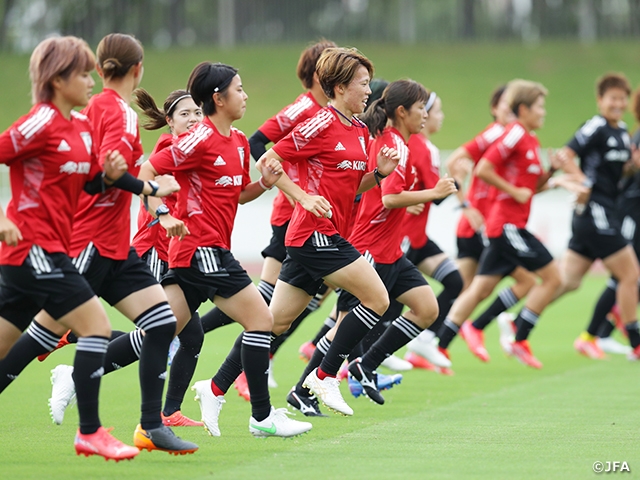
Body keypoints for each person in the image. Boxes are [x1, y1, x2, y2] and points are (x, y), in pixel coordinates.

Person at [16, 33, 197, 454]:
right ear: (138, 70)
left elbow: (100, 173)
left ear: (100, 69)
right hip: (93, 243)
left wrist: (150, 199)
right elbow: (108, 174)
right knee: (40, 335)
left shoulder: (99, 108)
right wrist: (153, 189)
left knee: (161, 321)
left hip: (117, 247)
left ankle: (151, 425)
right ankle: (90, 413)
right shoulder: (116, 111)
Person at [139, 61, 313, 438]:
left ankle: (80, 375)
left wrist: (264, 184)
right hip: (203, 251)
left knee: (160, 331)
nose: (245, 95)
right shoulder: (198, 139)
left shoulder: (236, 141)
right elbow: (146, 174)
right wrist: (164, 214)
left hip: (199, 253)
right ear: (218, 98)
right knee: (261, 320)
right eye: (238, 88)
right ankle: (262, 417)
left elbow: (235, 196)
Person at [0, 35, 139, 461]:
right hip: (32, 249)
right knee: (96, 327)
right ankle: (90, 432)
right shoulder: (40, 121)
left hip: (49, 250)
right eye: (82, 74)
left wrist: (107, 175)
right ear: (58, 80)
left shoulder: (80, 126)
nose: (91, 80)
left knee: (5, 347)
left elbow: (88, 184)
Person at [290, 79, 456, 407]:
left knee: (426, 309)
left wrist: (416, 199)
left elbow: (389, 195)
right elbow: (391, 197)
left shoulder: (401, 143)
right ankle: (303, 392)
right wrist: (431, 193)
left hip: (391, 250)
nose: (425, 113)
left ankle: (365, 364)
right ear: (401, 111)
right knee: (341, 328)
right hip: (369, 247)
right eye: (421, 107)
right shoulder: (392, 143)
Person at [259, 47, 401, 416]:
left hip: (330, 233)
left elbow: (351, 188)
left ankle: (215, 387)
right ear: (339, 87)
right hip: (314, 234)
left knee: (273, 322)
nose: (369, 93)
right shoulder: (320, 122)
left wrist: (381, 174)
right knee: (378, 299)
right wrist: (303, 198)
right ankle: (324, 376)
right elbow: (269, 160)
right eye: (364, 84)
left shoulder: (358, 130)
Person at [196, 40, 337, 394]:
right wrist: (291, 186)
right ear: (321, 74)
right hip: (292, 216)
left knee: (281, 301)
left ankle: (249, 361)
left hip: (313, 217)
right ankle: (238, 363)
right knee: (266, 303)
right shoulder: (304, 109)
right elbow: (259, 142)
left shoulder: (333, 115)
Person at [431, 80, 580, 369]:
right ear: (523, 109)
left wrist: (552, 170)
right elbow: (485, 168)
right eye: (539, 106)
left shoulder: (530, 140)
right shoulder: (514, 135)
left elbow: (530, 188)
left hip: (504, 226)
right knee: (552, 278)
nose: (544, 112)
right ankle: (518, 337)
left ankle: (441, 343)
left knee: (479, 289)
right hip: (506, 226)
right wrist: (511, 192)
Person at [433, 85, 539, 363]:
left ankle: (432, 340)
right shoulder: (496, 134)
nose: (509, 109)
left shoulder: (511, 137)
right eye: (505, 104)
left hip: (482, 224)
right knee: (523, 280)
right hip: (483, 224)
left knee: (465, 288)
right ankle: (469, 329)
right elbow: (456, 160)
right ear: (495, 109)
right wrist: (465, 203)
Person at [553, 73, 640, 359]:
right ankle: (635, 342)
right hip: (596, 212)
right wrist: (581, 181)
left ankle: (519, 321)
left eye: (622, 98)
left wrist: (632, 166)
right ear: (600, 100)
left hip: (602, 212)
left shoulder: (622, 130)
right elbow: (565, 154)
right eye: (612, 98)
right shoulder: (596, 125)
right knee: (630, 274)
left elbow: (618, 170)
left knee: (569, 280)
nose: (618, 103)